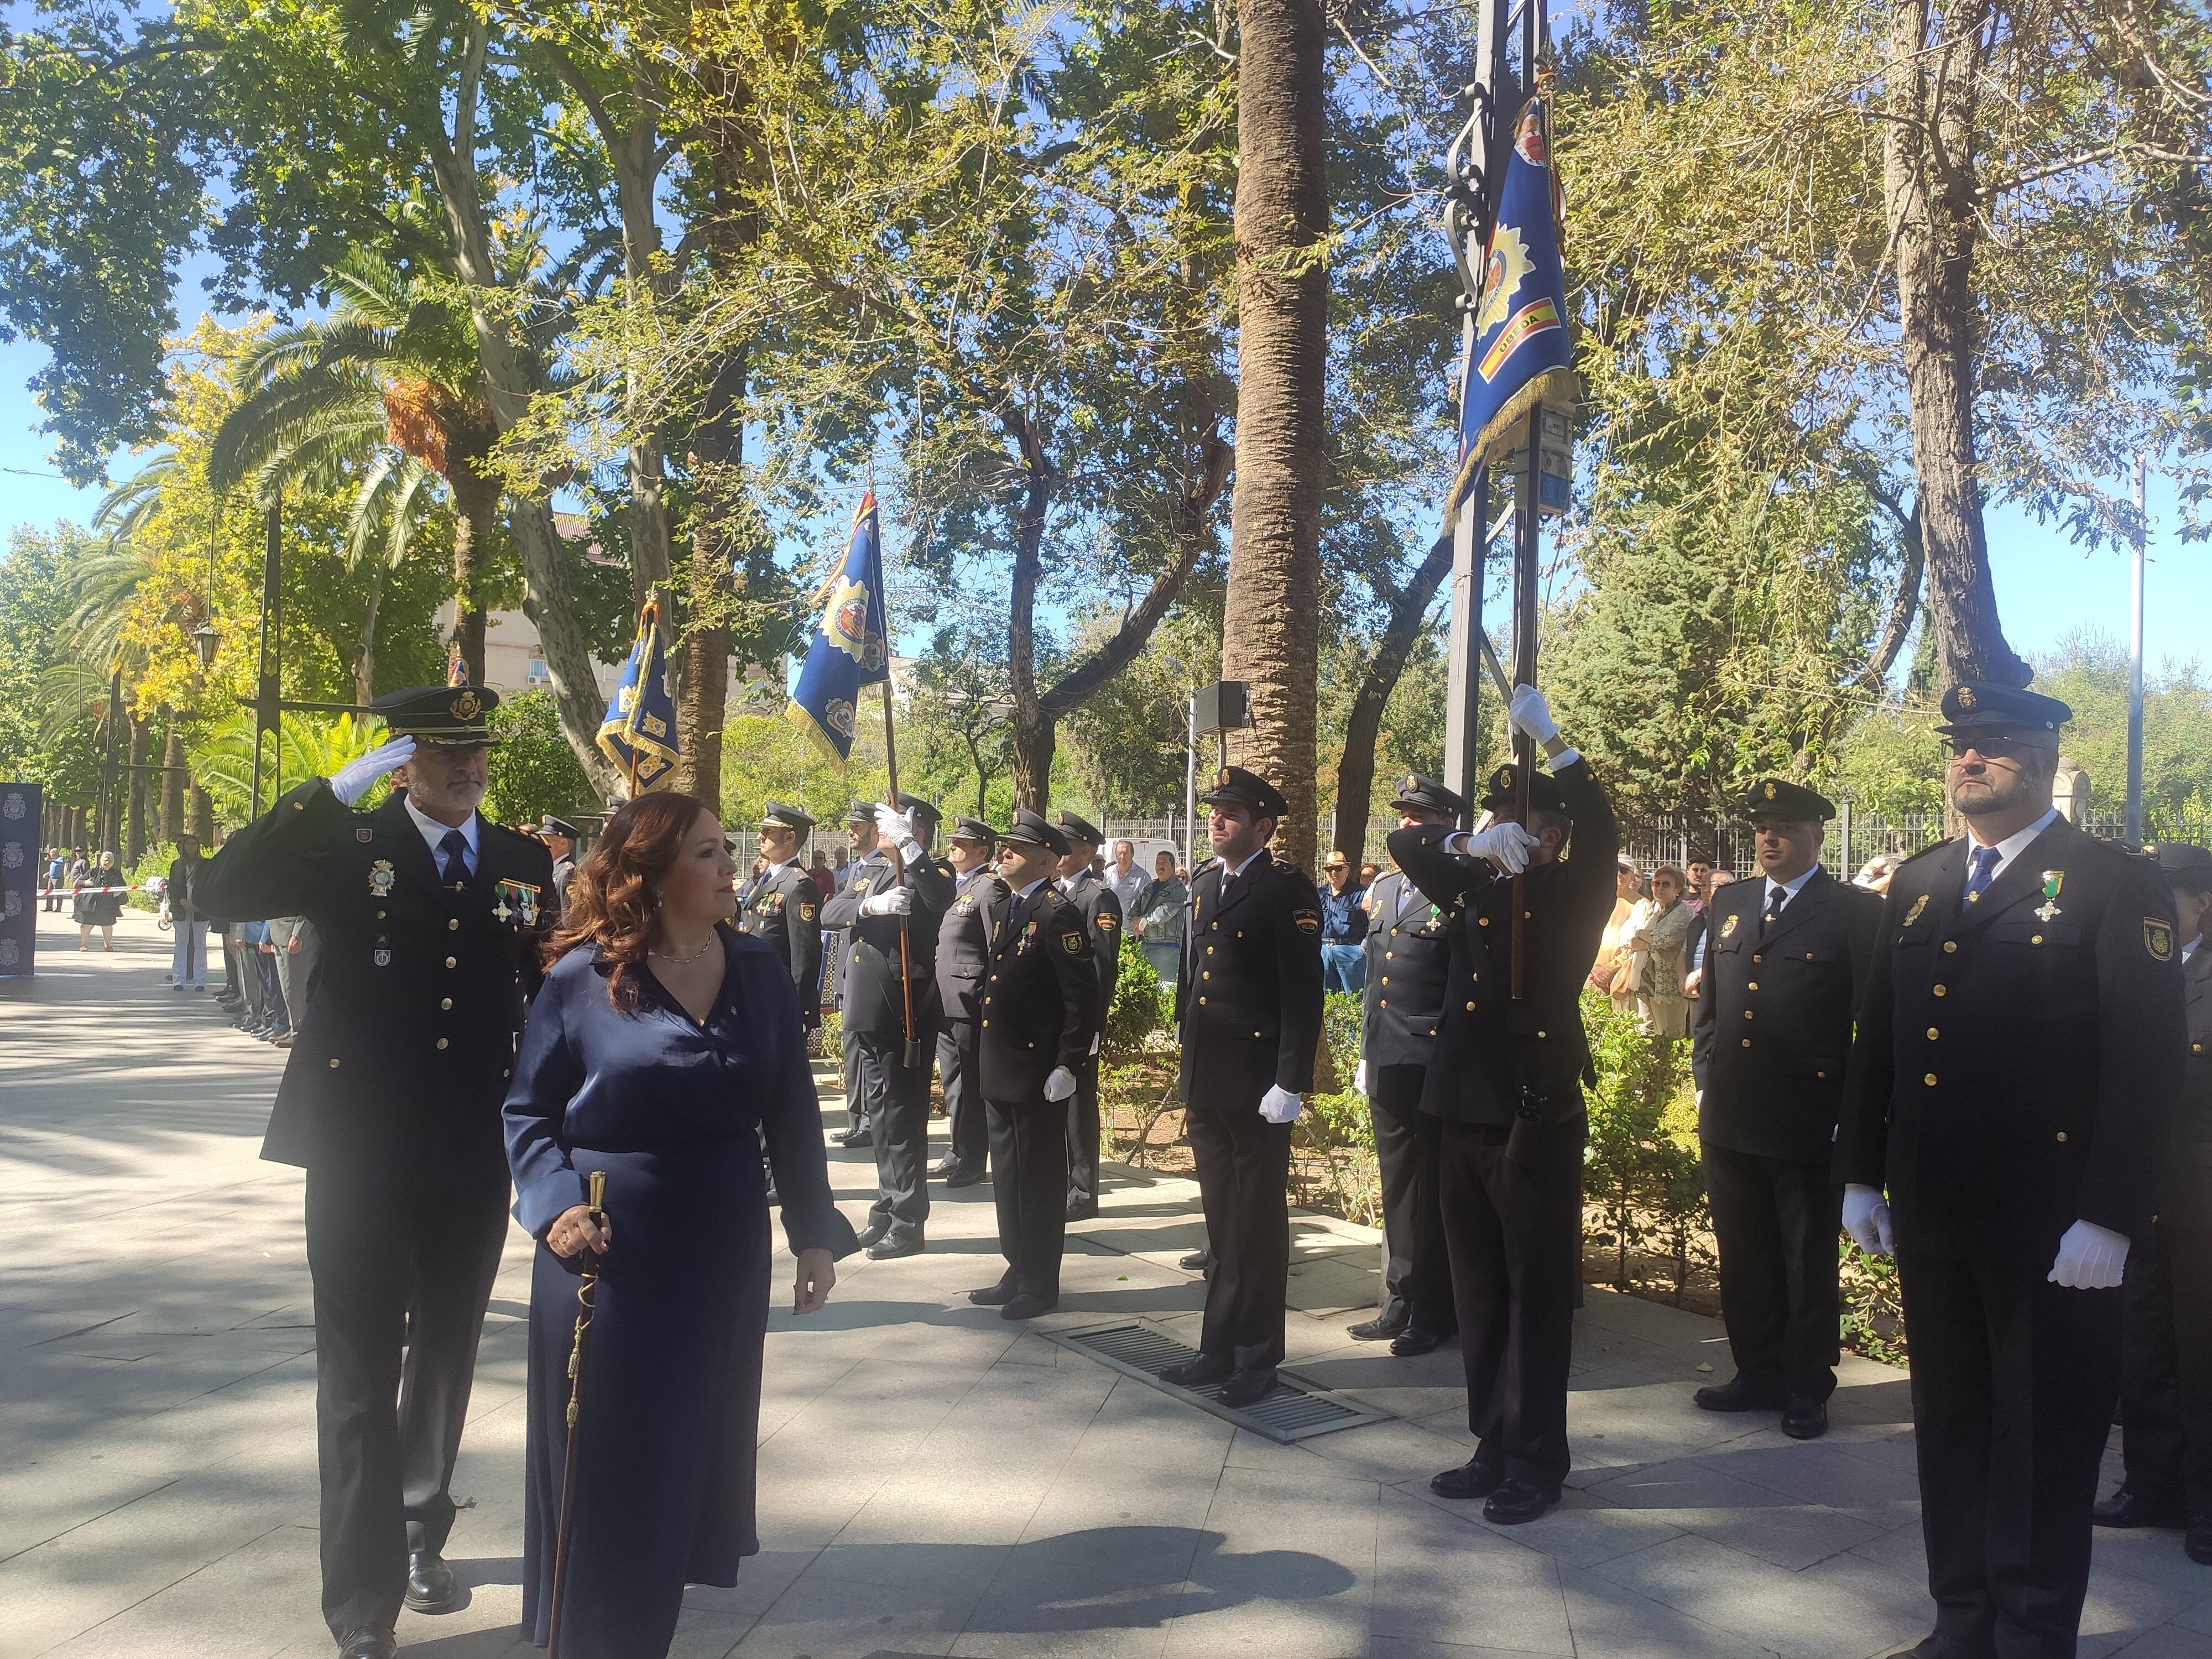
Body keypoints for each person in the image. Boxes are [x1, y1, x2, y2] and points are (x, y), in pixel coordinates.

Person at [193, 683, 555, 1659]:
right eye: (443, 755)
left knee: (445, 1357)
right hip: (356, 1147)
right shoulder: (349, 848)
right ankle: (360, 1604)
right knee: (356, 1374)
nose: (467, 769)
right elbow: (217, 892)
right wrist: (323, 793)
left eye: (476, 753)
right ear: (404, 766)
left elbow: (553, 991)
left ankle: (417, 1531)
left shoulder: (523, 863)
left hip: (473, 1149)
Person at [1837, 680, 2185, 1659]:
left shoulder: (2115, 883)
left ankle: (2032, 1636)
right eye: (1960, 746)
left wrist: (2110, 1217)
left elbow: (2146, 1064)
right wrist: (1862, 1171)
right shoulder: (1920, 880)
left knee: (2043, 1440)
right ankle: (1962, 1621)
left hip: (2054, 1226)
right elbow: (1883, 1042)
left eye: (1993, 745)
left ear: (2040, 762)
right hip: (1937, 1210)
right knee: (1949, 1425)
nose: (1970, 761)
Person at [505, 790, 854, 1659]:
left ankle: (641, 1627)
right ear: (652, 874)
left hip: (724, 1251)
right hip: (609, 1254)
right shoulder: (581, 978)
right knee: (612, 1463)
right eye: (706, 852)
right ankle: (589, 1637)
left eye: (725, 848)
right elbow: (526, 1114)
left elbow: (792, 1111)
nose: (730, 864)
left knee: (687, 1456)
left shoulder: (760, 968)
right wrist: (553, 1208)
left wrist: (814, 1229)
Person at [1390, 685, 1618, 1526]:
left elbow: (1606, 828)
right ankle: (1492, 1438)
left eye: (1534, 824)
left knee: (1535, 1289)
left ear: (1555, 835)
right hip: (1457, 1109)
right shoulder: (1476, 889)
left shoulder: (1573, 894)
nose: (1522, 833)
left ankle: (1537, 1457)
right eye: (1507, 821)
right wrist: (1467, 839)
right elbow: (1403, 841)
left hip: (1531, 1113)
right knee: (1478, 1286)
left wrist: (1556, 746)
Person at [1692, 780, 1879, 1441]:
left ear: (1817, 836)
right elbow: (1709, 1005)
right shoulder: (1732, 901)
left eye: (1784, 827)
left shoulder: (1851, 912)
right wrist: (1702, 1075)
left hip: (1807, 1116)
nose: (1770, 838)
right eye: (1762, 827)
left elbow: (1870, 1026)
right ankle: (1757, 1372)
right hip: (1732, 1113)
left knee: (1804, 1259)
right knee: (1743, 1254)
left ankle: (1806, 1384)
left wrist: (1851, 1116)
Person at [1157, 766, 1324, 1408]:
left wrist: (1290, 1080)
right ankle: (1216, 1348)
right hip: (1208, 1081)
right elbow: (1192, 977)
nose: (1215, 818)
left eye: (1229, 811)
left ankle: (1257, 1359)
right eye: (1213, 809)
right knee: (1222, 1225)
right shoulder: (1203, 883)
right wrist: (1184, 1046)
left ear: (1263, 826)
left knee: (1256, 1226)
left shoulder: (1285, 890)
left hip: (1258, 1088)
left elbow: (1301, 994)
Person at [2095, 841, 2212, 1567]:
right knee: (2141, 1349)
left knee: (2203, 1357)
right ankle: (2152, 1485)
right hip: (2139, 1195)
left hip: (2203, 1198)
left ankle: (2206, 1503)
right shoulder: (2137, 971)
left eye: (2166, 895)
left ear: (2202, 903)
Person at [967, 810, 1100, 1317]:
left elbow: (1080, 998)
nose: (1004, 853)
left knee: (1039, 1180)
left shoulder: (1057, 912)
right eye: (1005, 846)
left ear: (1047, 860)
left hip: (1036, 1071)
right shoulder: (1010, 906)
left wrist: (1069, 1063)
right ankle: (1017, 1265)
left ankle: (1040, 1282)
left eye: (1016, 849)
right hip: (1001, 1066)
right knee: (1007, 1175)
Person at [1349, 774, 1464, 1355]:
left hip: (1434, 1059)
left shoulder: (1463, 888)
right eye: (1402, 816)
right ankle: (1401, 1295)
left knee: (1438, 1187)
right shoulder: (1389, 889)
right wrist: (1365, 1051)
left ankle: (1436, 1309)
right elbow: (1376, 974)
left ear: (1449, 826)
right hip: (1388, 1054)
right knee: (1398, 1183)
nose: (1406, 826)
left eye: (1418, 818)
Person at [820, 799, 954, 1258]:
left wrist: (908, 845)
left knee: (902, 1116)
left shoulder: (931, 870)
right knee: (879, 1116)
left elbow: (939, 899)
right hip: (869, 1009)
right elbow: (830, 911)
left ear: (914, 828)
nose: (880, 828)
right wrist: (869, 905)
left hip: (904, 1010)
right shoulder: (874, 870)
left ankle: (908, 1219)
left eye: (891, 823)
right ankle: (887, 1206)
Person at [932, 816, 1009, 1188]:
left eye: (962, 844)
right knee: (953, 1082)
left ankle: (973, 1159)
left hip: (969, 999)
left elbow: (997, 949)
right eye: (952, 841)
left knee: (969, 1081)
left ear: (983, 850)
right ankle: (957, 1150)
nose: (953, 848)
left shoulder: (990, 888)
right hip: (947, 999)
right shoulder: (956, 886)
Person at [1057, 811, 1123, 1221]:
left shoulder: (1098, 897)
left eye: (1065, 845)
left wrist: (1093, 1026)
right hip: (1054, 1019)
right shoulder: (1054, 891)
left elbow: (1102, 966)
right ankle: (1063, 1182)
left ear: (1085, 851)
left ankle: (1083, 1192)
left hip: (1080, 1022)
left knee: (1079, 1106)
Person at [737, 802, 824, 1036]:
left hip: (778, 1000)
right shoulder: (767, 878)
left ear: (790, 837)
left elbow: (804, 955)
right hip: (755, 994)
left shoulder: (798, 885)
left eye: (769, 831)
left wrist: (799, 1009)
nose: (760, 835)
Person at [1625, 863, 1694, 1039]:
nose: (1659, 888)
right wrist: (1646, 939)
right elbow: (1629, 942)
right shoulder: (1653, 912)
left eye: (1666, 884)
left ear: (1678, 889)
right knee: (1644, 1036)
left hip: (1668, 986)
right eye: (1656, 884)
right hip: (1645, 983)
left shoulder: (1685, 911)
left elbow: (1665, 939)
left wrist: (1642, 934)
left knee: (1670, 1035)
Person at [1589, 857, 1644, 1010]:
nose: (1619, 874)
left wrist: (1610, 968)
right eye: (1615, 869)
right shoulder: (1593, 899)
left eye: (1624, 870)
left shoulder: (1642, 905)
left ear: (1633, 877)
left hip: (1622, 978)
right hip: (1592, 973)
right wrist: (1594, 968)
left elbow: (1638, 944)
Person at [1317, 849, 1370, 993]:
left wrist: (1362, 949)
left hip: (1350, 953)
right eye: (1329, 869)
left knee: (1354, 1000)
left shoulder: (1360, 894)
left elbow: (1373, 924)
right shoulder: (1319, 894)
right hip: (1323, 953)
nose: (1333, 872)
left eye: (1338, 869)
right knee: (1327, 1000)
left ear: (1347, 871)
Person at [1133, 848, 1187, 984]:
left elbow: (1166, 911)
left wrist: (1145, 921)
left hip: (1166, 948)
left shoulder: (1178, 888)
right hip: (1145, 944)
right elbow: (1136, 904)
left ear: (1173, 867)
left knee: (1165, 988)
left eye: (1164, 863)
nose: (1160, 866)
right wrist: (1135, 919)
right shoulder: (1149, 886)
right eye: (1157, 863)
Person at [166, 834, 210, 990]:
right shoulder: (177, 865)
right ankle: (179, 979)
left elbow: (208, 887)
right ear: (183, 847)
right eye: (188, 844)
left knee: (200, 945)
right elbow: (172, 887)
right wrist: (182, 902)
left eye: (193, 844)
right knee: (180, 944)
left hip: (200, 910)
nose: (191, 847)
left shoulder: (205, 865)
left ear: (198, 846)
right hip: (181, 909)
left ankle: (200, 981)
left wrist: (197, 903)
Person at [74, 849, 124, 949]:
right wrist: (86, 883)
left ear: (113, 862)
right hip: (91, 903)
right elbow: (78, 883)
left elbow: (123, 886)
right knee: (86, 925)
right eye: (105, 860)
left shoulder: (116, 873)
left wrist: (119, 892)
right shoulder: (93, 871)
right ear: (100, 860)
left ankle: (108, 946)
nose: (106, 863)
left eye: (109, 861)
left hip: (108, 904)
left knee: (108, 926)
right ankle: (83, 945)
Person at [537, 816, 580, 914]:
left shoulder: (567, 874)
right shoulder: (549, 868)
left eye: (546, 840)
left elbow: (568, 917)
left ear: (563, 844)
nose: (542, 844)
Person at [1102, 837, 1148, 915]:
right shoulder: (1109, 872)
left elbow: (1146, 903)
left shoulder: (1143, 876)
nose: (1122, 857)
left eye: (1126, 853)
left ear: (1132, 854)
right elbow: (1105, 896)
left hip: (1131, 924)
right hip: (1112, 920)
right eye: (1119, 853)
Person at [44, 845, 65, 911]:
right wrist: (47, 874)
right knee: (49, 893)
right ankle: (49, 907)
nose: (50, 854)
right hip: (51, 878)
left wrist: (52, 860)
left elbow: (61, 863)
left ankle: (59, 908)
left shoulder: (61, 858)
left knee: (58, 894)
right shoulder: (54, 861)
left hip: (58, 879)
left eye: (51, 853)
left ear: (55, 852)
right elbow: (53, 869)